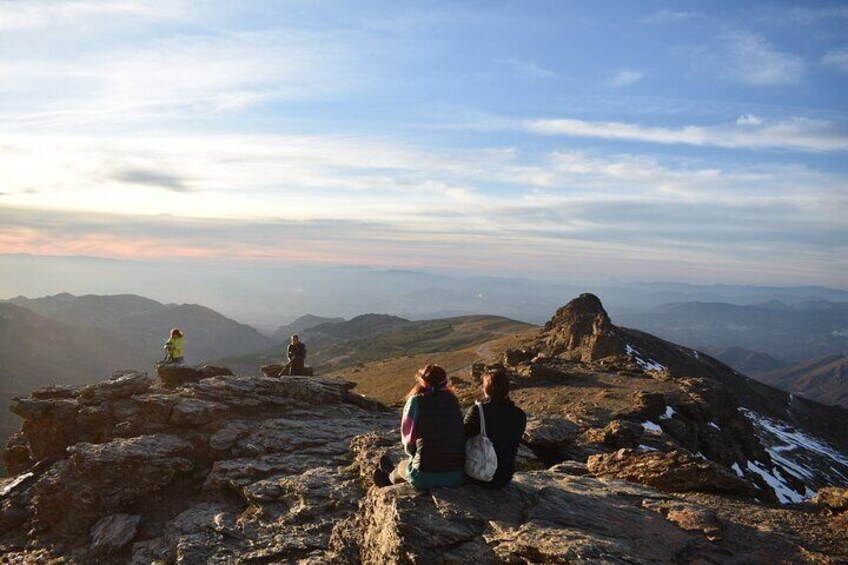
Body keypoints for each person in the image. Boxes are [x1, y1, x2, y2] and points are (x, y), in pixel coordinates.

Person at [374, 364, 465, 488]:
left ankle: (388, 479)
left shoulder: (416, 401)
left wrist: (413, 456)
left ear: (422, 382)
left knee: (402, 466)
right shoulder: (453, 401)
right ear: (445, 382)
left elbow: (408, 441)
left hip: (424, 475)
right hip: (456, 475)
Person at [463, 368, 526, 489]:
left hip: (478, 474)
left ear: (487, 388)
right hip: (504, 477)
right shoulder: (519, 415)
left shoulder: (479, 411)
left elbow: (461, 437)